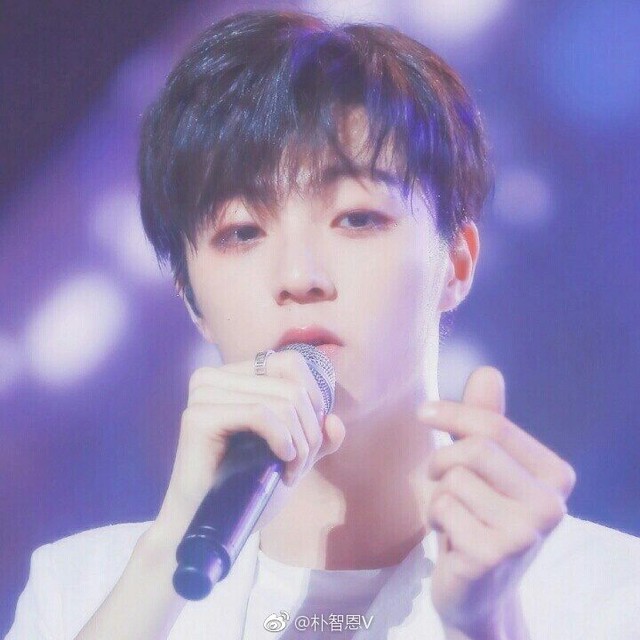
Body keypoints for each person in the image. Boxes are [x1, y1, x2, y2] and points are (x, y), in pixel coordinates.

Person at [6, 9, 640, 640]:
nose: (299, 276)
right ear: (191, 299)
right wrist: (169, 551)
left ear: (456, 261)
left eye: (356, 218)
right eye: (241, 231)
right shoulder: (83, 592)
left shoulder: (608, 593)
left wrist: (486, 624)